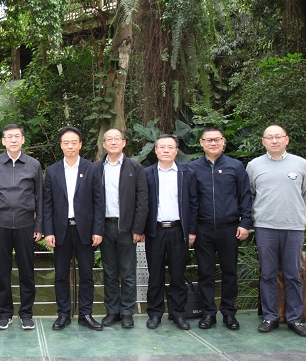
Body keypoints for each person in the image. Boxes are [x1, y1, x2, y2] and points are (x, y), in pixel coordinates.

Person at [247, 125, 306, 337]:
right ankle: (270, 317)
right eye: (269, 137)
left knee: (293, 274)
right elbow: (250, 194)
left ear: (287, 139)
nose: (274, 140)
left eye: (278, 137)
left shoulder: (300, 164)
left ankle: (295, 318)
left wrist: (295, 212)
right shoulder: (254, 165)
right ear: (263, 141)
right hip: (265, 226)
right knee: (267, 273)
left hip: (293, 227)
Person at [0, 124, 43, 330]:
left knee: (27, 272)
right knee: (2, 272)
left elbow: (40, 197)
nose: (13, 140)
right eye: (9, 137)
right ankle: (5, 313)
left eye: (17, 136)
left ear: (23, 139)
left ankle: (26, 314)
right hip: (0, 224)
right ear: (3, 141)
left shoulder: (33, 164)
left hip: (26, 225)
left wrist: (39, 225)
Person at [189, 127, 252, 331]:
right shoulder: (193, 168)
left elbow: (245, 196)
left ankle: (228, 312)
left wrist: (245, 223)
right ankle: (208, 313)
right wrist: (191, 229)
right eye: (208, 140)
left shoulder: (235, 166)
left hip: (230, 228)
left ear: (223, 141)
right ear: (201, 143)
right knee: (205, 272)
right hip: (203, 228)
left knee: (230, 271)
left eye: (216, 139)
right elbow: (190, 201)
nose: (213, 143)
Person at [43, 126, 104, 331]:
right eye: (66, 142)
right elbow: (47, 204)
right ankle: (63, 314)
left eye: (74, 142)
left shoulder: (92, 168)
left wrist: (98, 230)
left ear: (80, 145)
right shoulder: (52, 171)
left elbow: (99, 201)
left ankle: (85, 314)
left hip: (85, 230)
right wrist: (48, 231)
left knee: (87, 274)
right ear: (61, 145)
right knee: (61, 275)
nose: (70, 146)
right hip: (61, 230)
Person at [143, 134, 198, 330]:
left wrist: (192, 230)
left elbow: (194, 203)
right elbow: (142, 204)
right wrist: (141, 229)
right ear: (156, 150)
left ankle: (178, 313)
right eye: (162, 147)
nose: (166, 150)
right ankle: (154, 313)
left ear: (176, 151)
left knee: (177, 274)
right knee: (155, 275)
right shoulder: (147, 173)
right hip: (154, 231)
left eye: (170, 147)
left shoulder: (186, 173)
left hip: (179, 230)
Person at [99, 128, 148, 329]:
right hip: (104, 227)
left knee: (128, 272)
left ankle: (127, 311)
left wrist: (138, 228)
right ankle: (112, 311)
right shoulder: (97, 168)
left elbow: (142, 200)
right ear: (104, 144)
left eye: (116, 139)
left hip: (127, 228)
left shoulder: (134, 167)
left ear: (123, 142)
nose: (113, 142)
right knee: (109, 272)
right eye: (109, 139)